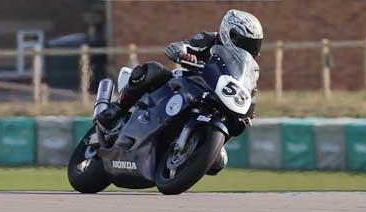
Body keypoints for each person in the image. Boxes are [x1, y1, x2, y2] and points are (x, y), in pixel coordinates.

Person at [97, 9, 263, 131]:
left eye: (254, 46)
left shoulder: (248, 71)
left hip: (212, 104)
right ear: (230, 35)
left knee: (219, 161)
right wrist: (182, 53)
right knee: (152, 71)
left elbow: (249, 96)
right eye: (247, 44)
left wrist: (248, 114)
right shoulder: (210, 39)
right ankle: (118, 109)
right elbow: (183, 46)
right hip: (186, 85)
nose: (250, 50)